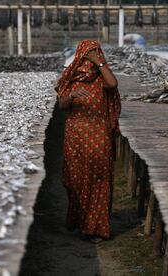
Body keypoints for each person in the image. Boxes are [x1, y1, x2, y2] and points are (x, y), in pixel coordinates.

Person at [56, 40, 121, 243]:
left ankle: (96, 229)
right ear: (81, 54)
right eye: (89, 52)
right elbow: (61, 105)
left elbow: (113, 84)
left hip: (99, 134)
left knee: (98, 178)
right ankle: (80, 221)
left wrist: (100, 63)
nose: (93, 54)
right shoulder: (71, 75)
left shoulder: (102, 76)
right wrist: (73, 95)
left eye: (96, 51)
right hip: (75, 135)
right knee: (75, 179)